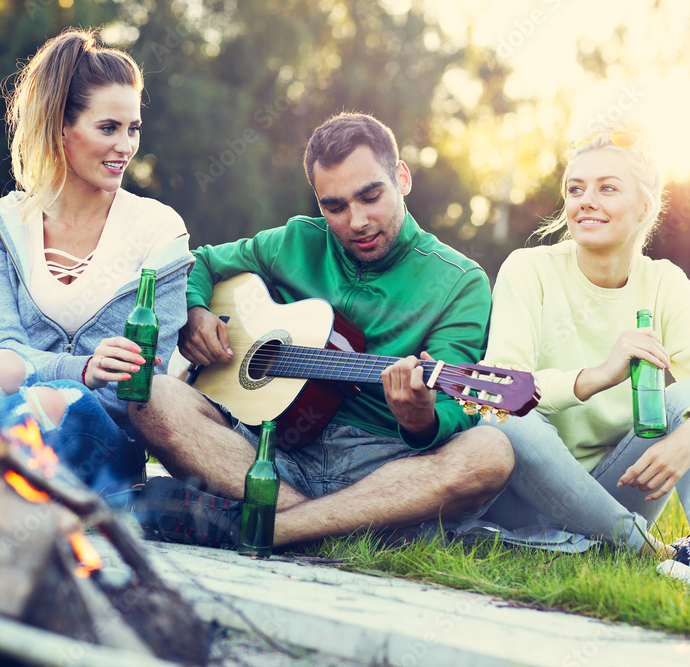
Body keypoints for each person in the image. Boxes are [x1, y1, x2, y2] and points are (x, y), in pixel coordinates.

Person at [129, 112, 513, 549]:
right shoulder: (295, 240)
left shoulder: (462, 281)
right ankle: (346, 528)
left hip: (384, 469)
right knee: (149, 395)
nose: (357, 221)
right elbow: (199, 263)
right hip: (265, 449)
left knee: (490, 452)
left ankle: (267, 525)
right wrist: (195, 311)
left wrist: (419, 417)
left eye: (371, 197)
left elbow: (452, 407)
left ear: (402, 178)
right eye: (335, 206)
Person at [478, 127, 690, 585]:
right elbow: (500, 392)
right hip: (531, 490)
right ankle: (645, 547)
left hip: (620, 487)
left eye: (607, 188)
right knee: (505, 420)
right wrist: (595, 376)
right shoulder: (529, 269)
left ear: (644, 208)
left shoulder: (663, 283)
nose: (585, 201)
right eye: (575, 189)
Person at [0, 29, 192, 503]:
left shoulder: (158, 230)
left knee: (65, 402)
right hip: (6, 408)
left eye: (134, 128)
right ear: (61, 128)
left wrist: (78, 382)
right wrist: (81, 366)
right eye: (109, 128)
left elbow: (145, 387)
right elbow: (3, 355)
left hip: (103, 445)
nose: (125, 146)